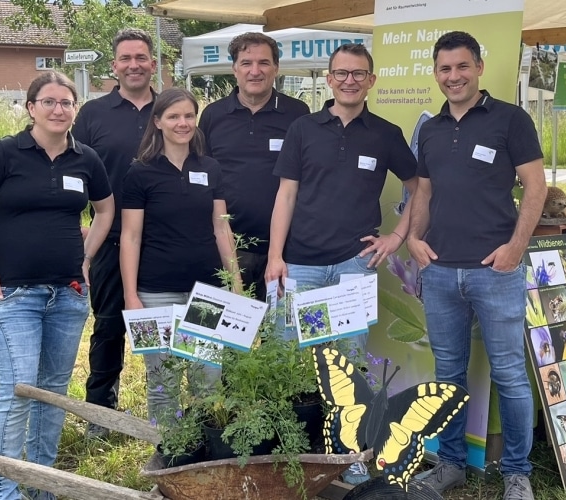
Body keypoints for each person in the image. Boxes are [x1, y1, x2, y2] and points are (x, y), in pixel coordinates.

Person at [0, 70, 115, 500]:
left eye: (67, 103)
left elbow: (106, 210)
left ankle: (42, 486)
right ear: (31, 108)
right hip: (13, 294)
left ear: (75, 109)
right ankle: (3, 491)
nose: (59, 110)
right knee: (19, 387)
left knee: (52, 393)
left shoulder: (86, 159)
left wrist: (86, 255)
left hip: (69, 294)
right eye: (50, 102)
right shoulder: (6, 153)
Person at [264, 42, 417, 485]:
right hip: (302, 267)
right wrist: (276, 257)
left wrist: (397, 236)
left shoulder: (386, 134)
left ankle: (348, 456)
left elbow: (419, 186)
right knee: (289, 360)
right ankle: (288, 452)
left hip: (353, 266)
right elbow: (285, 195)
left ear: (371, 80)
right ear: (328, 79)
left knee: (348, 367)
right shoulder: (303, 129)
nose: (350, 80)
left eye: (359, 73)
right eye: (341, 73)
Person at [406, 31, 546, 500]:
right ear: (436, 73)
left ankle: (516, 473)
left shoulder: (510, 119)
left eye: (462, 66)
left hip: (496, 270)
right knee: (447, 373)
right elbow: (422, 193)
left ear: (479, 67)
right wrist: (414, 240)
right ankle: (450, 465)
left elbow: (535, 187)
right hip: (441, 271)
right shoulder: (430, 128)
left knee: (508, 372)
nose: (454, 76)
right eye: (445, 69)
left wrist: (516, 247)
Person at [120, 88, 242, 422]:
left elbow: (221, 228)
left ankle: (201, 457)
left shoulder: (210, 168)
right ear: (157, 121)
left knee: (206, 379)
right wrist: (131, 295)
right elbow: (130, 237)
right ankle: (169, 456)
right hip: (155, 292)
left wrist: (235, 282)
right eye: (173, 116)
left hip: (205, 292)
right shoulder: (140, 172)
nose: (182, 123)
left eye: (189, 115)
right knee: (163, 381)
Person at [72, 28, 157, 439]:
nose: (133, 65)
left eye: (141, 57)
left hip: (164, 241)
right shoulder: (92, 113)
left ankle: (170, 408)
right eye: (126, 58)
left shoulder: (173, 108)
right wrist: (79, 229)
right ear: (114, 66)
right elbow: (72, 172)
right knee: (108, 325)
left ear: (154, 64)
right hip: (109, 238)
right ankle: (101, 411)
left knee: (168, 323)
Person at [198, 32, 310, 300]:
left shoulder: (298, 114)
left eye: (264, 63)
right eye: (247, 63)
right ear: (235, 69)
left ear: (276, 68)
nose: (255, 71)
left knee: (278, 335)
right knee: (228, 335)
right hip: (226, 247)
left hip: (284, 249)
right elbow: (201, 177)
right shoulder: (213, 115)